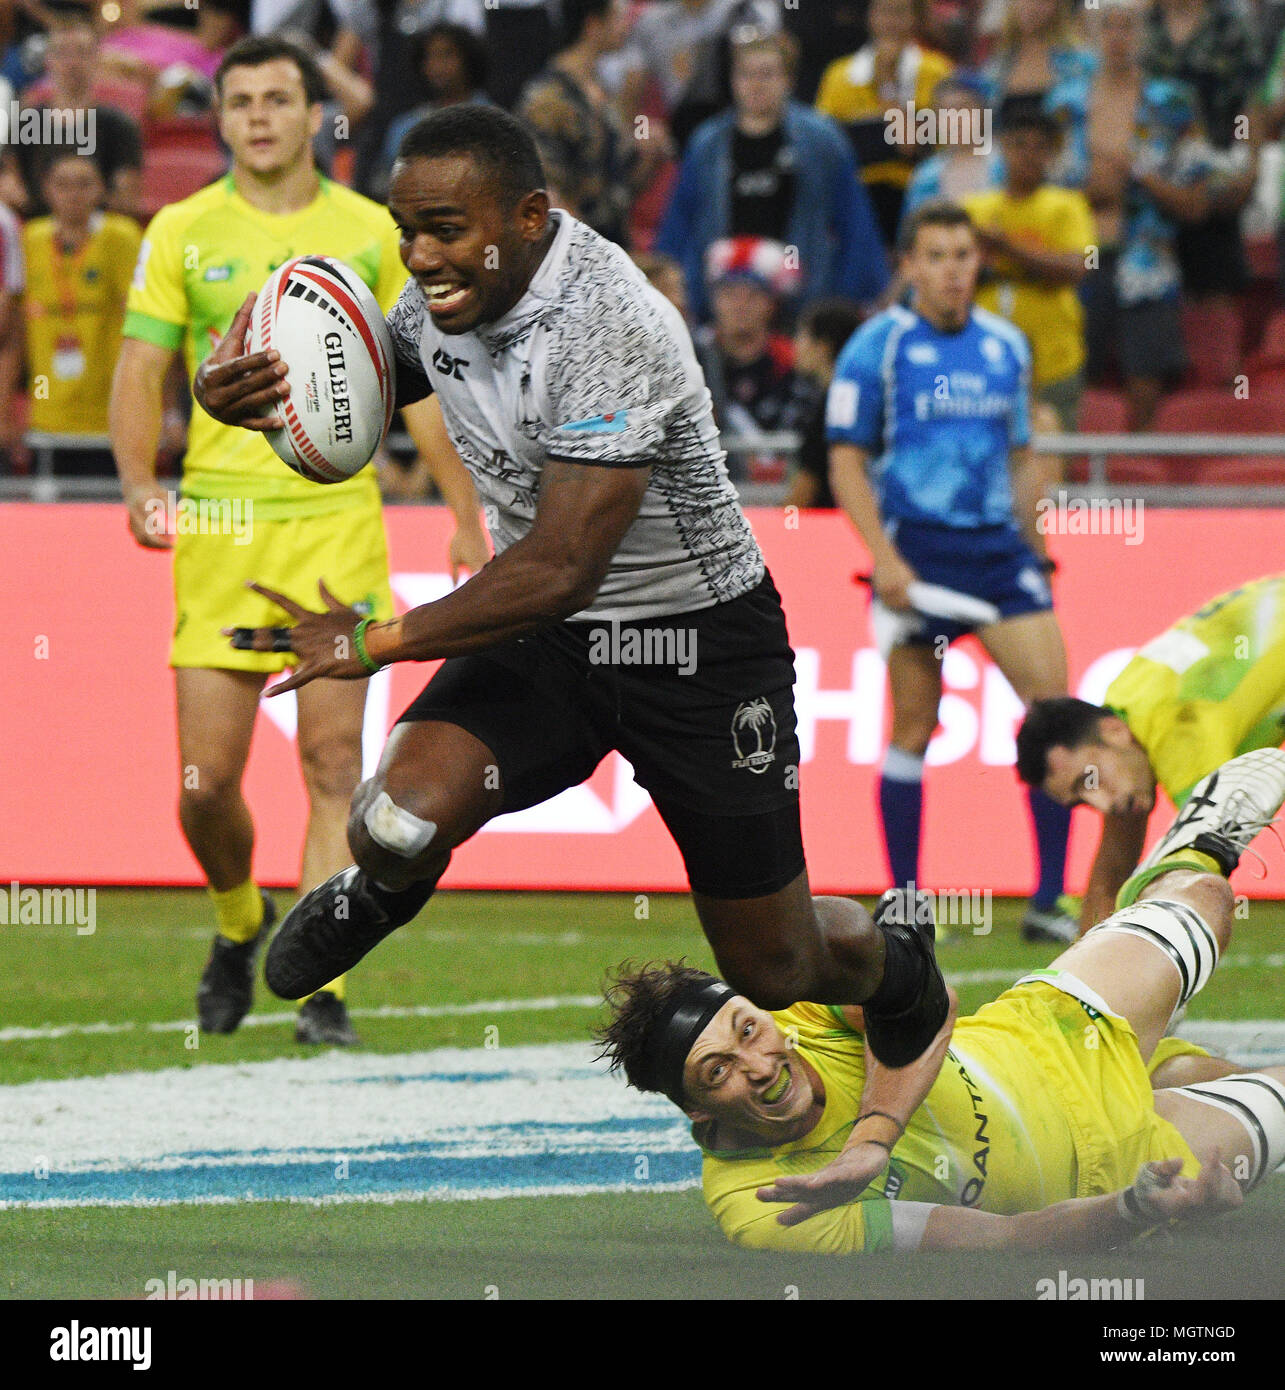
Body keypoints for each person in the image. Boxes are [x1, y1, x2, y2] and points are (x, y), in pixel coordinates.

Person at [192, 103, 952, 1076]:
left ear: (528, 216)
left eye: (446, 230)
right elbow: (356, 403)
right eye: (407, 230)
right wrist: (235, 402)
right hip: (549, 641)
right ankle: (383, 887)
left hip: (698, 644)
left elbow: (560, 566)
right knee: (392, 819)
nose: (420, 257)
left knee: (775, 963)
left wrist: (374, 642)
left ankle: (898, 966)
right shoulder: (446, 296)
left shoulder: (608, 325)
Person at [108, 35, 481, 1047]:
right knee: (206, 785)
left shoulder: (368, 230)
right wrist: (141, 484)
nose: (261, 116)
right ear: (220, 117)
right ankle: (238, 920)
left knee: (332, 771)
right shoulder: (182, 228)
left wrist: (461, 512)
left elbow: (423, 391)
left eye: (280, 98)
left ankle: (325, 993)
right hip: (222, 529)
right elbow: (141, 368)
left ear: (315, 112)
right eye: (241, 101)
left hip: (334, 528)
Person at [596, 748, 1285, 1254]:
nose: (757, 1064)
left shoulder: (797, 1012)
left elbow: (923, 1008)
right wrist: (1133, 1209)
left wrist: (874, 1137)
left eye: (745, 1030)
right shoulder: (760, 1206)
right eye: (716, 1072)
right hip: (1115, 1165)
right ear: (696, 1113)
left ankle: (1195, 842)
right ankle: (1172, 1072)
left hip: (1048, 1034)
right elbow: (1007, 1240)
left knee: (1206, 897)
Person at [827, 200, 1075, 944]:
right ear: (908, 266)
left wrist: (1035, 548)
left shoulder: (1006, 345)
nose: (951, 271)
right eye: (935, 256)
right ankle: (904, 900)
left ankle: (1048, 900)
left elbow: (1022, 456)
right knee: (913, 723)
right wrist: (885, 559)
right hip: (918, 555)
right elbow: (845, 461)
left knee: (1054, 717)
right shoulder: (876, 347)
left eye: (963, 256)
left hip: (996, 557)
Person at [1017, 573, 1285, 933]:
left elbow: (1200, 865)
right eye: (1080, 800)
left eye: (1088, 780)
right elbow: (1112, 869)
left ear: (1113, 732)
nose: (1101, 805)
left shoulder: (1180, 732)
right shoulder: (1125, 710)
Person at [1046, 0, 1214, 430]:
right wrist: (1094, 191)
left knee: (1146, 371)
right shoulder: (1064, 103)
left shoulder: (1171, 102)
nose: (1117, 37)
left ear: (1144, 35)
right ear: (1090, 31)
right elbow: (1039, 193)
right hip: (1080, 258)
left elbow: (1197, 202)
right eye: (1108, 26)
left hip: (1148, 260)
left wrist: (1140, 179)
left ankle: (1144, 479)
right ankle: (1069, 481)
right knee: (1072, 373)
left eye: (1127, 27)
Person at [655, 29, 888, 326]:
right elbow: (679, 224)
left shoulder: (824, 141)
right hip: (723, 305)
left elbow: (855, 226)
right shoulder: (706, 144)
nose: (756, 85)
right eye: (746, 74)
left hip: (802, 304)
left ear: (788, 80)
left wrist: (841, 306)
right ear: (732, 81)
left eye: (767, 74)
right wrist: (665, 291)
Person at [963, 99, 1095, 431]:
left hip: (1054, 360)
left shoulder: (1068, 204)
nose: (1028, 155)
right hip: (982, 359)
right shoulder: (975, 207)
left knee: (1052, 462)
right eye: (1018, 145)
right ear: (1002, 149)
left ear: (1050, 154)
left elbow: (1078, 267)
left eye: (1039, 147)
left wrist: (1005, 247)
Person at [23, 151, 140, 476]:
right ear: (46, 189)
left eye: (85, 184)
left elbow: (144, 320)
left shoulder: (121, 237)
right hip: (48, 415)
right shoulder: (31, 239)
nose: (73, 194)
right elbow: (18, 327)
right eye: (62, 184)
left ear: (102, 189)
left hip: (108, 417)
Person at [517, 0, 662, 247]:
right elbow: (545, 189)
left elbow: (619, 183)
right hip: (572, 251)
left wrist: (649, 152)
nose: (626, 25)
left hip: (613, 245)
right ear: (593, 25)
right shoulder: (546, 98)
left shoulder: (602, 89)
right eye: (618, 17)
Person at [815, 0, 955, 249]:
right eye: (883, 11)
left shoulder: (937, 70)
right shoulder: (839, 75)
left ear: (915, 18)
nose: (891, 21)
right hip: (858, 200)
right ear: (870, 16)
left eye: (900, 12)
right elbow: (826, 152)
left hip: (919, 195)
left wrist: (889, 83)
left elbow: (920, 146)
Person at [693, 236, 816, 486]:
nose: (740, 306)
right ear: (714, 300)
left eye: (752, 295)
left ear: (772, 303)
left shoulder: (795, 364)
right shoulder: (693, 361)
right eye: (729, 294)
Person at [6, 15, 144, 220]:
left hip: (98, 235)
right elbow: (11, 189)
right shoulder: (26, 122)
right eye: (62, 53)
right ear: (48, 61)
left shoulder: (119, 125)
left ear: (97, 59)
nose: (72, 63)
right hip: (38, 236)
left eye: (82, 53)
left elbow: (126, 200)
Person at [784, 297, 864, 512]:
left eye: (802, 336)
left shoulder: (829, 408)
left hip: (825, 526)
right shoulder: (860, 398)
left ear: (823, 346)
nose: (796, 345)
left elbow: (807, 485)